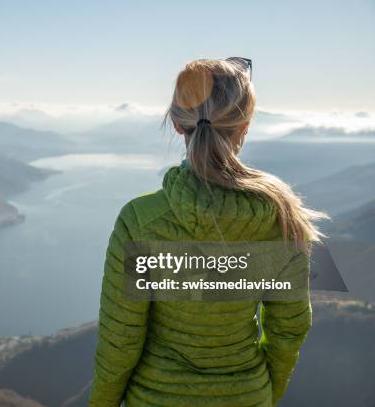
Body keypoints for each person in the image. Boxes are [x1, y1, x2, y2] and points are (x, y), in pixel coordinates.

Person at [89, 58, 326, 406]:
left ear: (176, 124)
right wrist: (262, 393)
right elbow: (289, 329)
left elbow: (120, 341)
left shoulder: (140, 220)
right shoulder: (284, 219)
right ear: (245, 126)